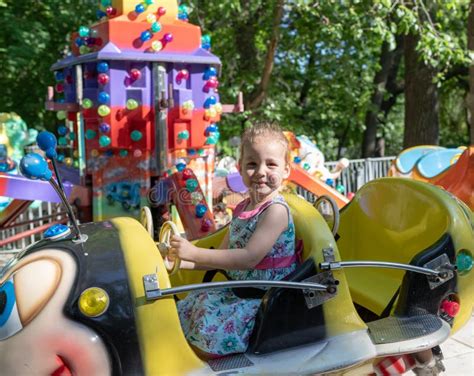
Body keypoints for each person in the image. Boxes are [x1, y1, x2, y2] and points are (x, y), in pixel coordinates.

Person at [170, 122, 298, 358]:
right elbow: (220, 257)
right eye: (252, 164)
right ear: (240, 168)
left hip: (263, 302)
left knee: (202, 341)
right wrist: (178, 261)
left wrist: (193, 252)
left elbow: (249, 258)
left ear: (286, 170)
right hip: (237, 292)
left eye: (271, 164)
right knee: (179, 314)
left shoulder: (276, 212)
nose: (260, 171)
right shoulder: (242, 208)